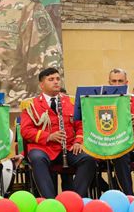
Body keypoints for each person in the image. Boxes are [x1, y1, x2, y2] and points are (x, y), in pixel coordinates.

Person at [20, 67, 95, 198]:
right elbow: (26, 130)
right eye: (51, 79)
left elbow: (81, 125)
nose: (56, 82)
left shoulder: (71, 102)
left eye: (58, 79)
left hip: (68, 147)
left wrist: (78, 142)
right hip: (42, 148)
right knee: (37, 159)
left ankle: (73, 199)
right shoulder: (31, 104)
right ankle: (50, 201)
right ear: (41, 85)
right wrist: (48, 136)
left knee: (88, 159)